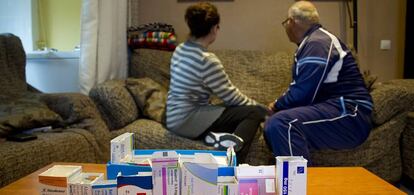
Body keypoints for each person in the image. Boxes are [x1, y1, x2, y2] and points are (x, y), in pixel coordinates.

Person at [264, 1, 373, 163]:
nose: (286, 27)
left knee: (282, 123)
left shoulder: (317, 43)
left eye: (285, 23)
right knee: (275, 125)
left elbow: (302, 92)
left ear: (291, 22)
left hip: (350, 114)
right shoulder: (314, 41)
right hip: (335, 109)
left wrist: (275, 105)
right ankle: (295, 178)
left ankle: (299, 186)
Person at [166, 2, 267, 156]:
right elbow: (232, 97)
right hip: (188, 121)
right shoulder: (206, 60)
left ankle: (213, 138)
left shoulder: (180, 49)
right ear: (214, 28)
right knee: (253, 113)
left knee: (225, 108)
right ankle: (233, 160)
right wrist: (263, 109)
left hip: (172, 117)